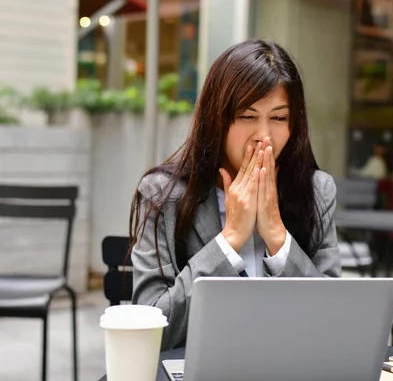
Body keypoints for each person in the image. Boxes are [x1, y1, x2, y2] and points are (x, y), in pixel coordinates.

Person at [129, 39, 340, 350]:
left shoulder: (317, 191)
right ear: (217, 119)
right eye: (247, 116)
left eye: (279, 118)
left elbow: (334, 325)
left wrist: (279, 240)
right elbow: (148, 331)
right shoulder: (162, 195)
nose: (264, 135)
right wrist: (229, 240)